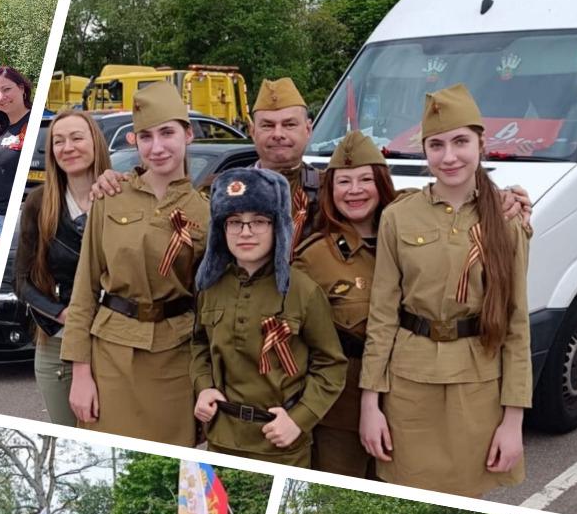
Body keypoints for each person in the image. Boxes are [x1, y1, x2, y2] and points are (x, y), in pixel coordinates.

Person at [359, 83, 531, 496]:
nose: (449, 156)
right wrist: (370, 406)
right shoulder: (399, 217)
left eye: (460, 142)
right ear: (424, 150)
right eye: (436, 145)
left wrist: (513, 421)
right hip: (409, 387)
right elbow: (382, 317)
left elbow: (516, 325)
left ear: (481, 143)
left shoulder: (506, 220)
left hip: (478, 387)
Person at [62, 81, 208, 445]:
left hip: (177, 359)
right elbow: (84, 290)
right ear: (134, 142)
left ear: (188, 135)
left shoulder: (205, 211)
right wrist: (81, 373)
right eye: (146, 136)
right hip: (111, 357)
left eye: (167, 133)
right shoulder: (110, 198)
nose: (157, 147)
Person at [191, 165, 345, 463]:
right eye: (234, 222)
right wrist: (203, 387)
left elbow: (331, 366)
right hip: (222, 438)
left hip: (280, 444)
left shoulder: (303, 291)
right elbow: (199, 345)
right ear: (222, 230)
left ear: (278, 227)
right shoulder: (210, 287)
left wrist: (300, 419)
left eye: (258, 221)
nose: (245, 232)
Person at [293, 132, 396, 476]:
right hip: (340, 412)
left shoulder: (407, 241)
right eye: (344, 181)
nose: (355, 191)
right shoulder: (314, 258)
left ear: (382, 184)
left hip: (405, 404)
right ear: (330, 189)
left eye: (366, 179)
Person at [16, 110, 112, 424]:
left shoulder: (121, 197)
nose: (67, 147)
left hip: (114, 345)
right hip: (56, 344)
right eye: (58, 141)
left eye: (76, 138)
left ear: (96, 143)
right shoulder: (39, 203)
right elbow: (21, 280)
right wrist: (60, 313)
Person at [246, 78, 321, 249]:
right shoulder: (225, 189)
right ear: (252, 131)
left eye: (289, 124)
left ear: (308, 129)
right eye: (267, 125)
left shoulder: (331, 190)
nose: (278, 134)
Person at [0, 66, 33, 269]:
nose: (2, 97)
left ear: (22, 88)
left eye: (7, 89)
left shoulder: (35, 122)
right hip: (1, 219)